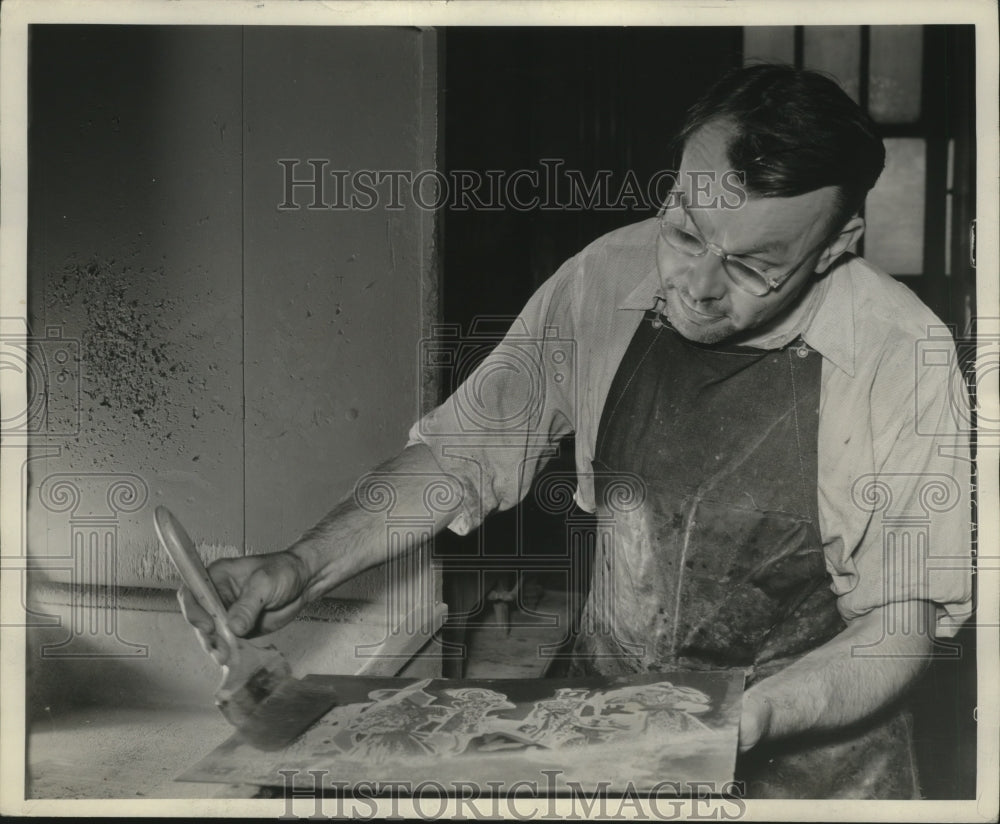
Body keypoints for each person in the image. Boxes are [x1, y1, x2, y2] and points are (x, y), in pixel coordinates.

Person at [179, 64, 972, 798]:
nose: (695, 287)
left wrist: (738, 720)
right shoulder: (604, 276)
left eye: (754, 266)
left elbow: (897, 627)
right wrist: (302, 565)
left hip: (808, 769)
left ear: (836, 245)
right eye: (686, 231)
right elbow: (464, 453)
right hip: (606, 721)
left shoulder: (901, 355)